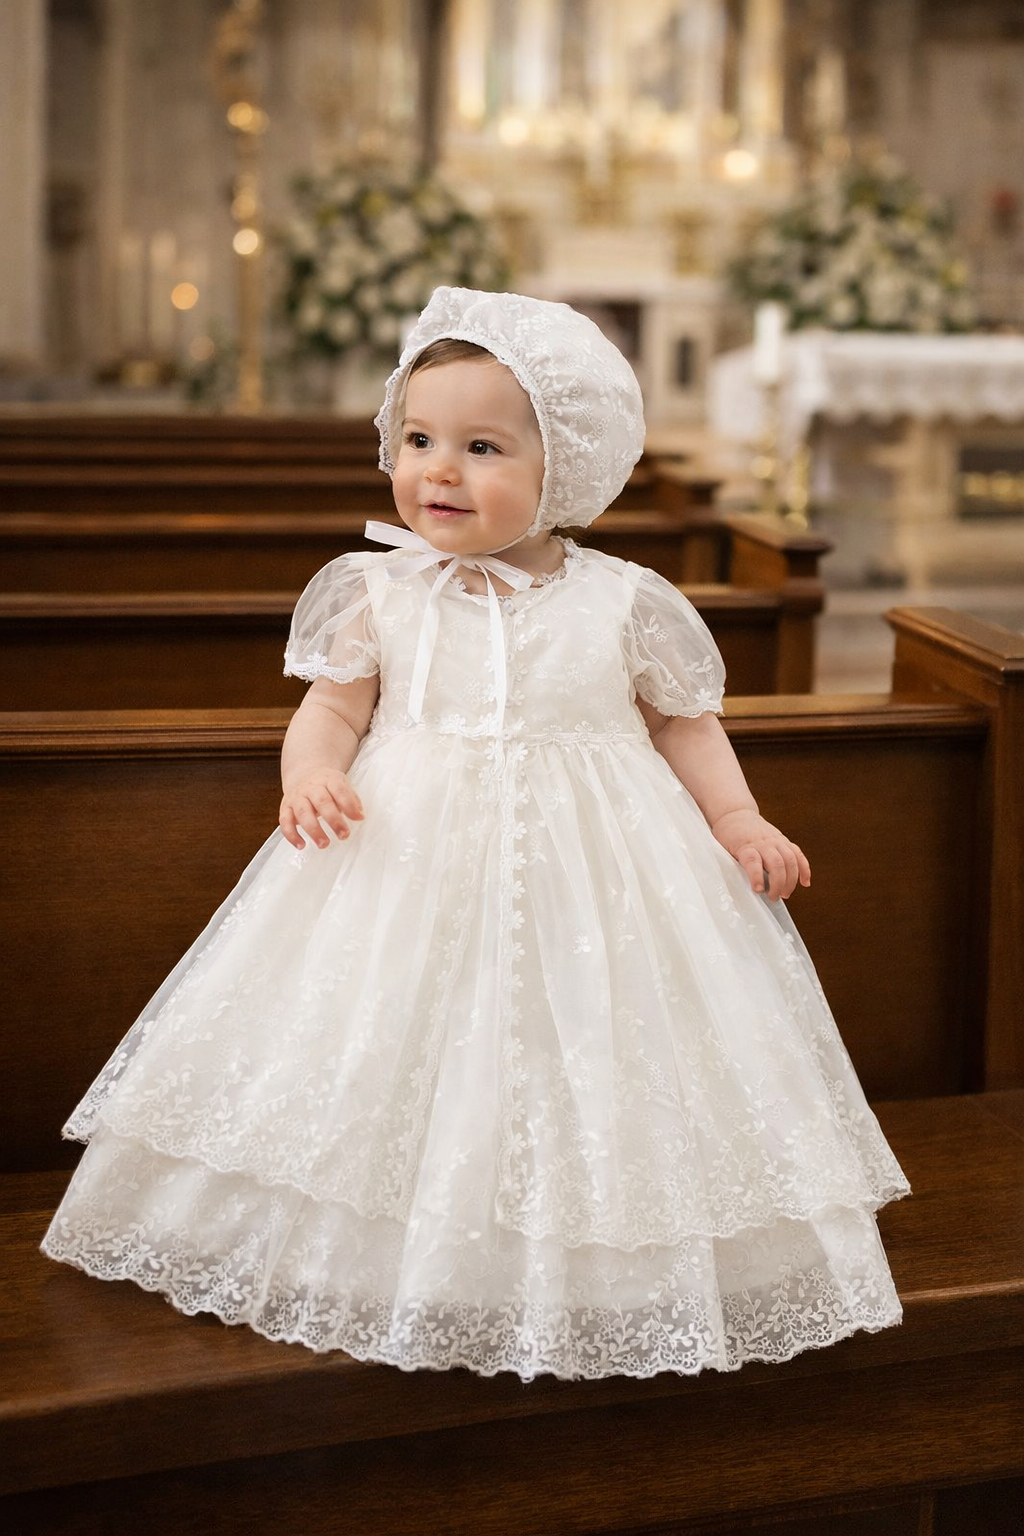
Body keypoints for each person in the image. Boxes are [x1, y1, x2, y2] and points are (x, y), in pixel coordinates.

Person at [42, 288, 909, 1382]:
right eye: (418, 441)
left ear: (568, 468)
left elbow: (685, 724)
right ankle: (375, 1252)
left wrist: (736, 819)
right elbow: (333, 709)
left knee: (590, 1047)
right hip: (402, 861)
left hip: (601, 876)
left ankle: (602, 1266)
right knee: (385, 1044)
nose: (438, 472)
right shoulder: (378, 588)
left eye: (481, 448)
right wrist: (311, 773)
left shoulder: (623, 601)